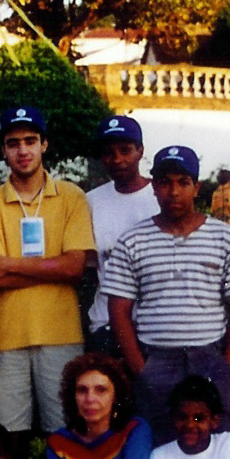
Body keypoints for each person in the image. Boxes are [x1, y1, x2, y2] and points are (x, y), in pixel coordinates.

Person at [102, 145, 230, 444]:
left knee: (223, 441)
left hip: (209, 357)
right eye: (165, 182)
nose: (174, 191)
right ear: (154, 187)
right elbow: (119, 310)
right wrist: (141, 369)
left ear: (196, 188)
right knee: (158, 443)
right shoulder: (133, 240)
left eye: (183, 182)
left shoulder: (225, 237)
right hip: (156, 359)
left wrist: (225, 366)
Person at [0, 106, 94, 442]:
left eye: (30, 141)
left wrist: (9, 263)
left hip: (62, 333)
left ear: (44, 144)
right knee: (7, 438)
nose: (22, 150)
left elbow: (75, 267)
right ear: (3, 150)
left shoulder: (71, 196)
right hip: (7, 335)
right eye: (13, 143)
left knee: (67, 433)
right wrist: (54, 268)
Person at [83, 116, 158, 355]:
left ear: (140, 151)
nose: (117, 159)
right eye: (109, 152)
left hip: (155, 325)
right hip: (106, 324)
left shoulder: (162, 196)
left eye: (125, 150)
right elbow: (90, 269)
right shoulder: (91, 201)